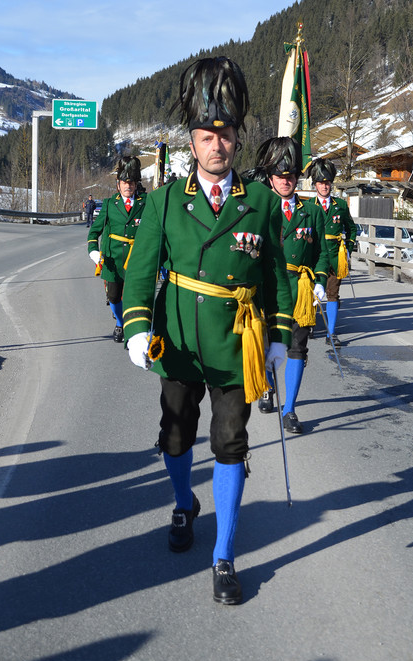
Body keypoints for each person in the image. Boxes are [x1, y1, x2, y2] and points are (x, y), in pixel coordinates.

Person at [122, 57, 293, 605]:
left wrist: (278, 336)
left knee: (230, 442)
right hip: (176, 343)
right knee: (174, 436)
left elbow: (275, 275)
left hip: (235, 346)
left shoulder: (261, 203)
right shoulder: (165, 202)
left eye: (225, 134)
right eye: (206, 136)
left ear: (237, 138)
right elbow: (141, 272)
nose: (216, 144)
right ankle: (183, 503)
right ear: (192, 142)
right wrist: (136, 326)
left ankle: (223, 555)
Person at [253, 138, 331, 434]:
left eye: (290, 176)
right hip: (267, 288)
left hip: (299, 289)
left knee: (298, 348)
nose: (285, 181)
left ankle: (290, 410)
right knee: (265, 344)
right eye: (279, 176)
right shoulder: (258, 209)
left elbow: (321, 252)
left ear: (297, 178)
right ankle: (267, 387)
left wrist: (320, 281)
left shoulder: (312, 212)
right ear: (270, 177)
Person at [87, 156, 147, 343]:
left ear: (136, 185)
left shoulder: (146, 203)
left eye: (131, 183)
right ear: (118, 185)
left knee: (134, 298)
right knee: (113, 297)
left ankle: (130, 328)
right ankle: (120, 322)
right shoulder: (109, 204)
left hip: (136, 260)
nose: (128, 186)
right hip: (113, 260)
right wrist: (93, 251)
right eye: (124, 183)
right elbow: (94, 232)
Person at [308, 158, 357, 347]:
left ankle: (331, 332)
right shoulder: (309, 206)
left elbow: (351, 229)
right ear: (315, 185)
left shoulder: (340, 205)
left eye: (327, 182)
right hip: (314, 257)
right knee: (311, 291)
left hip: (335, 257)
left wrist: (348, 250)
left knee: (333, 294)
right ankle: (309, 322)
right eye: (321, 183)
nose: (324, 186)